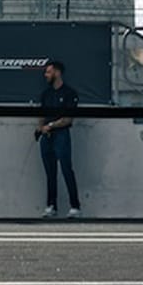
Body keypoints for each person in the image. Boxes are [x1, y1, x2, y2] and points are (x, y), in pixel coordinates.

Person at [36, 59, 82, 219]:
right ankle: (51, 205)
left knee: (66, 169)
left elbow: (68, 119)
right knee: (50, 172)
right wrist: (41, 128)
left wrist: (52, 126)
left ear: (57, 72)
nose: (46, 75)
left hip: (61, 135)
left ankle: (75, 206)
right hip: (46, 137)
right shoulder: (45, 94)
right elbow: (41, 115)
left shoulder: (69, 93)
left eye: (48, 72)